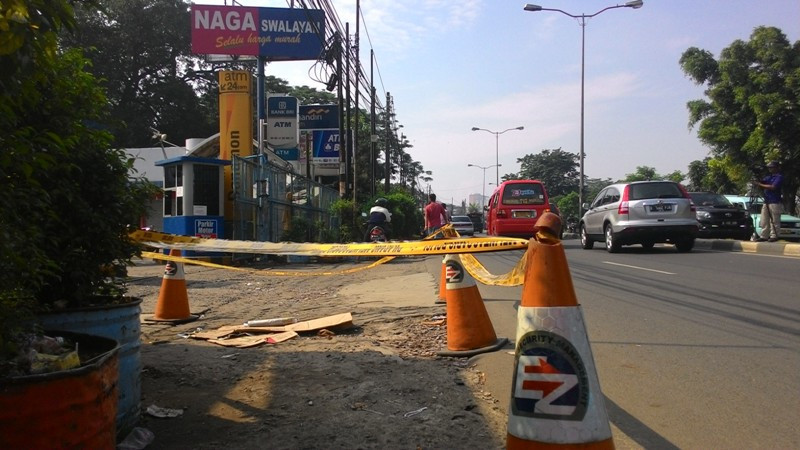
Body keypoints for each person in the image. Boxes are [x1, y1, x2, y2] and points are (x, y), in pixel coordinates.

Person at [754, 161, 783, 242]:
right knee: (764, 219)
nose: (770, 169)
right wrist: (758, 180)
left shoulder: (779, 177)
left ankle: (774, 235)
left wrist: (759, 184)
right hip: (766, 200)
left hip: (775, 201)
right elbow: (762, 182)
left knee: (774, 220)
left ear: (777, 168)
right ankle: (764, 236)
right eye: (769, 167)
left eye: (772, 167)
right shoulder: (768, 177)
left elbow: (773, 187)